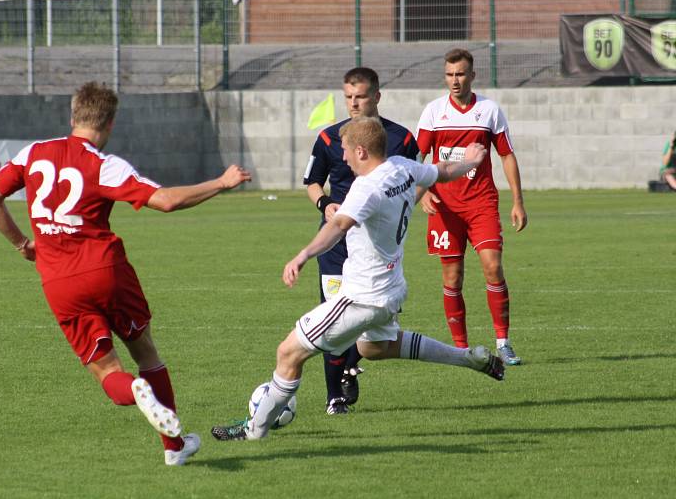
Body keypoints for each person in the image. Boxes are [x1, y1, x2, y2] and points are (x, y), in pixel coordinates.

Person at [0, 81, 250, 466]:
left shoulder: (33, 153)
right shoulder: (104, 164)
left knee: (109, 372)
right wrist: (221, 182)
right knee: (146, 352)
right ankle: (173, 448)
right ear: (110, 122)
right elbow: (167, 201)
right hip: (107, 272)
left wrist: (24, 245)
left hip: (58, 282)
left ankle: (136, 392)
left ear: (73, 116)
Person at [211, 117, 504, 442]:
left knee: (288, 352)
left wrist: (303, 255)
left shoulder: (367, 187)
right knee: (374, 347)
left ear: (362, 151)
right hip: (390, 291)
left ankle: (254, 431)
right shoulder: (403, 167)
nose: (345, 158)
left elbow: (337, 227)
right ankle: (467, 358)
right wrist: (470, 162)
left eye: (347, 151)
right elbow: (442, 172)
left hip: (360, 298)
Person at [304, 67, 419, 415]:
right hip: (337, 247)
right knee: (334, 318)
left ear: (377, 97)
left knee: (372, 320)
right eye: (349, 97)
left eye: (361, 96)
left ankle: (351, 365)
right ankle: (334, 397)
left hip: (379, 250)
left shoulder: (401, 139)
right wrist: (324, 204)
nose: (354, 103)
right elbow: (311, 183)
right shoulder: (329, 139)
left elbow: (416, 179)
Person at [415, 48, 527, 366]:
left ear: (472, 75)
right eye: (450, 74)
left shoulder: (489, 110)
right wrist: (422, 193)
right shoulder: (434, 112)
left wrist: (518, 201)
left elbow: (506, 155)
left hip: (481, 204)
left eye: (461, 74)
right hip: (445, 208)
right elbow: (417, 158)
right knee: (453, 278)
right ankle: (460, 349)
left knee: (493, 266)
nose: (455, 80)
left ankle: (503, 342)